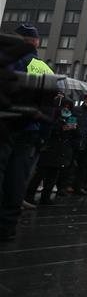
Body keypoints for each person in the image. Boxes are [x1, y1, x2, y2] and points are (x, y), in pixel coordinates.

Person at [1, 25, 53, 240]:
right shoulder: (43, 67)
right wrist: (44, 134)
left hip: (6, 124)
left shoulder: (9, 60)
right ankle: (7, 226)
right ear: (37, 42)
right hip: (30, 127)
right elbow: (51, 104)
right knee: (17, 176)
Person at [26, 97, 78, 205]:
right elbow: (47, 129)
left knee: (53, 175)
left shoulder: (71, 117)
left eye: (69, 107)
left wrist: (74, 129)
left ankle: (46, 196)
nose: (66, 109)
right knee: (40, 174)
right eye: (65, 106)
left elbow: (76, 135)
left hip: (61, 150)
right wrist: (60, 128)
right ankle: (29, 196)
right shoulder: (53, 116)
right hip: (49, 148)